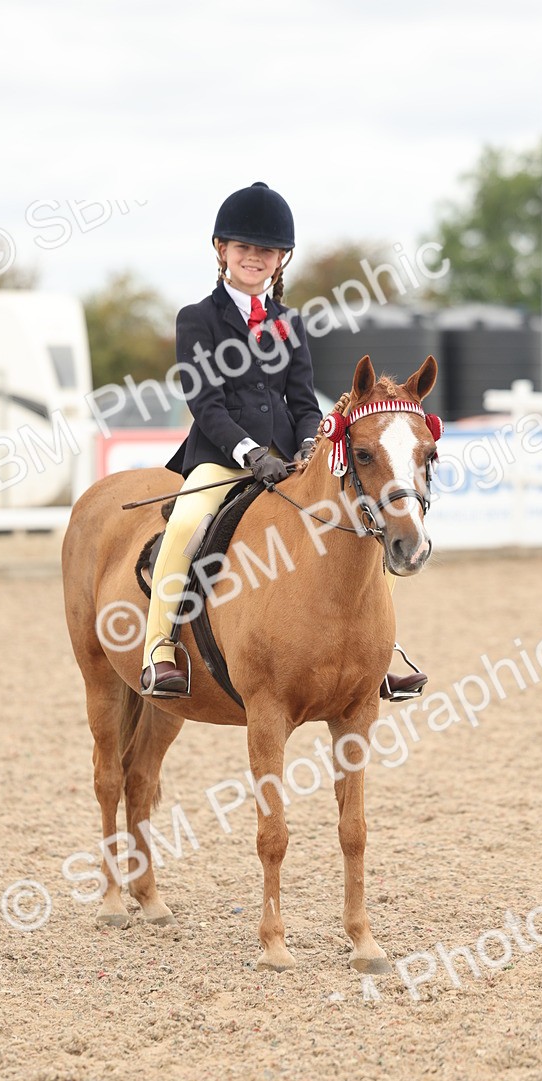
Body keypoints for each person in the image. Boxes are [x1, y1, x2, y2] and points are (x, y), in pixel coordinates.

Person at [139, 182, 427, 703]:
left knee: (367, 522)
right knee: (186, 521)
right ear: (221, 250)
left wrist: (304, 451)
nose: (255, 258)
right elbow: (205, 404)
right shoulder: (197, 319)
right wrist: (252, 454)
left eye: (266, 251)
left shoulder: (290, 324)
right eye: (244, 248)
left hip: (290, 464)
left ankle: (385, 650)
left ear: (280, 260)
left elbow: (301, 402)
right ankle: (160, 648)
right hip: (223, 461)